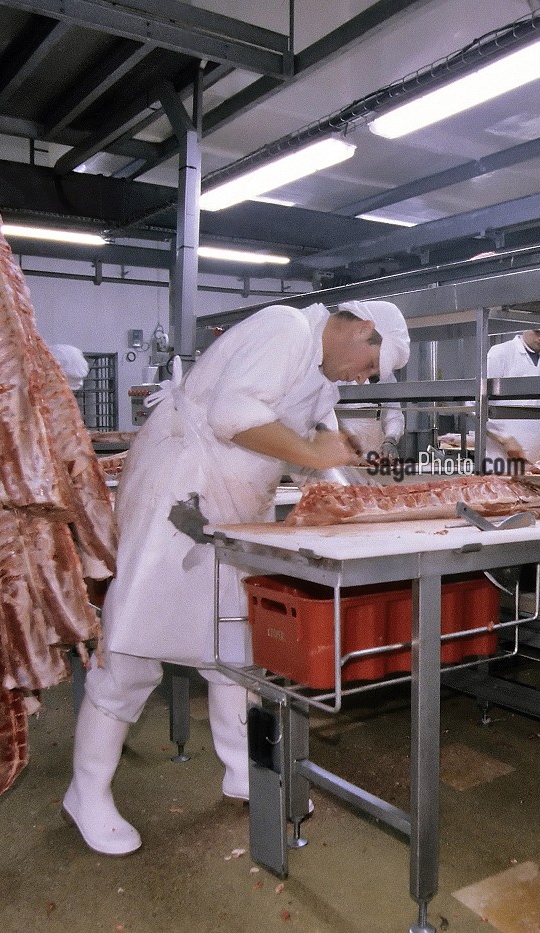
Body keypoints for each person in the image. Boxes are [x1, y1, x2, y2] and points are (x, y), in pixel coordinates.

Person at [63, 299, 410, 856]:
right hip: (180, 494)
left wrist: (353, 497)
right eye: (369, 368)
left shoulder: (321, 379)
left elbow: (319, 447)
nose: (362, 378)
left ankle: (242, 772)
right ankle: (88, 792)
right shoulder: (286, 328)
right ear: (363, 331)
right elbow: (234, 416)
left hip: (236, 506)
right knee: (133, 647)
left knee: (235, 643)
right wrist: (316, 455)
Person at [484, 328, 540, 468]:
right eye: (537, 332)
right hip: (500, 460)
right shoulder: (499, 354)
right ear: (524, 328)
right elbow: (476, 405)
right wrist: (504, 439)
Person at [337, 370, 406, 461]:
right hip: (342, 455)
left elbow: (393, 416)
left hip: (376, 456)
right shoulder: (341, 375)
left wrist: (390, 440)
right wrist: (345, 437)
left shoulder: (388, 378)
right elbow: (326, 416)